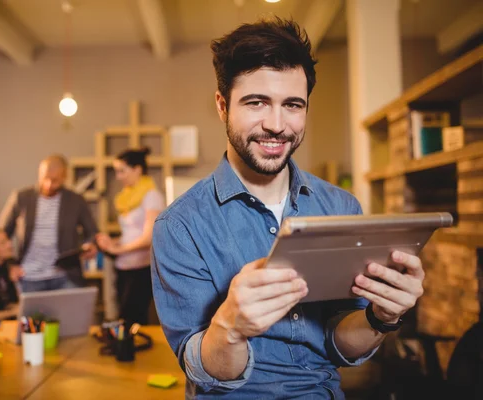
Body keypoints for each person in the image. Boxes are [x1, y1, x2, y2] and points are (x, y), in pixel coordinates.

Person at [151, 18, 426, 399]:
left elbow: (340, 346)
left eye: (292, 105)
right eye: (256, 102)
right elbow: (206, 371)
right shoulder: (179, 225)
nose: (277, 125)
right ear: (222, 106)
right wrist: (230, 326)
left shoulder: (342, 207)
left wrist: (382, 317)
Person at [0, 154, 98, 292]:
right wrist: (10, 265)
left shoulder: (76, 200)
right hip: (29, 276)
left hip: (65, 276)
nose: (49, 185)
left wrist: (90, 244)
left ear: (65, 177)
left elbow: (92, 231)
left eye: (55, 180)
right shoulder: (21, 198)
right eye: (45, 179)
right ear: (39, 174)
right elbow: (1, 235)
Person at [96, 147, 165, 326]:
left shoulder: (152, 196)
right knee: (123, 319)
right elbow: (129, 234)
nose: (118, 177)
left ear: (137, 169)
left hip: (140, 269)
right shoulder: (126, 197)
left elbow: (149, 237)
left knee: (133, 320)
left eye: (122, 171)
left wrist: (117, 248)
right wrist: (112, 242)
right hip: (123, 267)